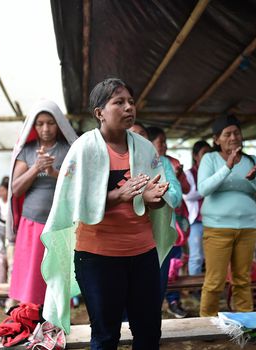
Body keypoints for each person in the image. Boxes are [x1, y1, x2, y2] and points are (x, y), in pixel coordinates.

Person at [40, 78, 176, 349]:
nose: (129, 108)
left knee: (149, 332)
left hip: (142, 253)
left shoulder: (145, 148)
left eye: (131, 102)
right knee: (105, 335)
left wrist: (153, 199)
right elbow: (74, 205)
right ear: (99, 113)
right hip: (97, 257)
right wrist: (119, 195)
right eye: (119, 102)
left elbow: (156, 203)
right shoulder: (83, 149)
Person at [197, 114, 256, 316]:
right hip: (217, 229)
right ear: (216, 139)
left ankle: (246, 325)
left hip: (247, 228)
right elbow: (203, 189)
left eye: (237, 133)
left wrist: (255, 179)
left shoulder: (251, 160)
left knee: (242, 279)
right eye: (227, 134)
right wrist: (227, 167)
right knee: (215, 281)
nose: (233, 137)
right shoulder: (210, 159)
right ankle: (207, 324)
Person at [6, 100, 78, 305]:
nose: (45, 129)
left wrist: (53, 172)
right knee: (32, 276)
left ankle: (55, 321)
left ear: (60, 124)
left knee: (56, 274)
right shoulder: (27, 151)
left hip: (60, 223)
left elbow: (78, 185)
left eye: (50, 123)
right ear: (33, 126)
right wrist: (36, 168)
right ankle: (30, 319)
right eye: (40, 124)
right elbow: (16, 189)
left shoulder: (69, 150)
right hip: (32, 223)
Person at [131, 123, 185, 318]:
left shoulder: (161, 161)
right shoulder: (115, 160)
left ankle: (150, 327)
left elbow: (176, 195)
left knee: (156, 284)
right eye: (132, 134)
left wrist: (157, 195)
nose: (137, 138)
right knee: (127, 287)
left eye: (142, 135)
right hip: (125, 236)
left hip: (157, 235)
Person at [183, 140, 212, 279]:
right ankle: (195, 289)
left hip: (213, 219)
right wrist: (209, 187)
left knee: (214, 256)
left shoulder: (214, 171)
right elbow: (188, 195)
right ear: (195, 156)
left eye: (210, 153)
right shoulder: (188, 174)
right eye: (204, 153)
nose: (208, 156)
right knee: (196, 257)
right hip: (196, 220)